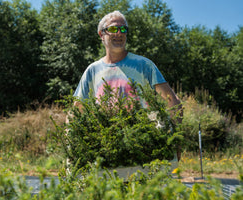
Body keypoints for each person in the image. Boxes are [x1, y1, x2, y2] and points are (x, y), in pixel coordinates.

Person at [73, 10, 182, 160]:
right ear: (101, 34)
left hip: (142, 149)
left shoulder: (144, 65)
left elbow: (173, 102)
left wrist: (175, 140)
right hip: (105, 149)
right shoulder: (92, 71)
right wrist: (70, 144)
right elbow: (75, 111)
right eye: (112, 29)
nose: (119, 33)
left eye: (123, 29)